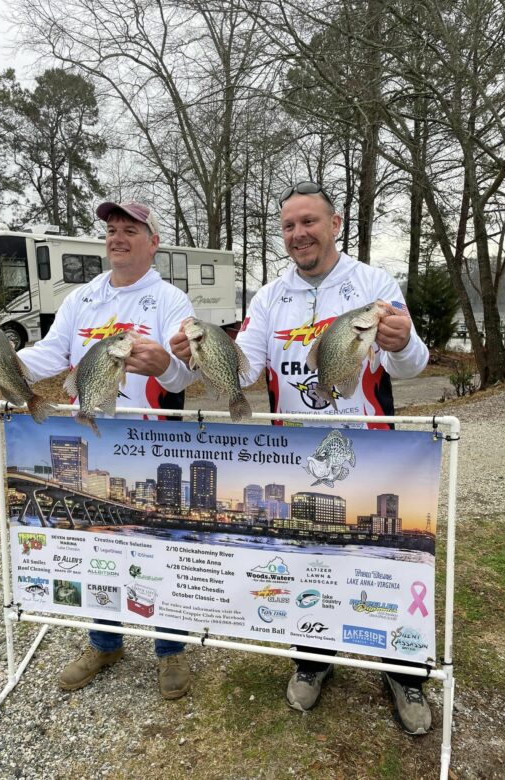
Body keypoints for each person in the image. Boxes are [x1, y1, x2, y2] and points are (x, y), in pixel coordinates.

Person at [171, 181, 431, 734]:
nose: (298, 234)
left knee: (383, 560)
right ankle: (312, 661)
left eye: (308, 222)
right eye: (288, 226)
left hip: (373, 450)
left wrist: (405, 340)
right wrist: (200, 355)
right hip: (295, 459)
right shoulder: (269, 298)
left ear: (334, 224)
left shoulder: (374, 285)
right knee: (305, 562)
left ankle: (403, 671)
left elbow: (411, 368)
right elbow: (244, 372)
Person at [0, 200, 195, 700]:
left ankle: (170, 651)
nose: (118, 237)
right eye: (112, 230)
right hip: (89, 441)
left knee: (159, 547)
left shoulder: (170, 302)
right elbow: (50, 355)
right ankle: (104, 642)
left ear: (153, 241)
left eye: (130, 230)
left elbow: (185, 374)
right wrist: (5, 357)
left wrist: (163, 362)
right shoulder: (82, 299)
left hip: (152, 445)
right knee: (96, 544)